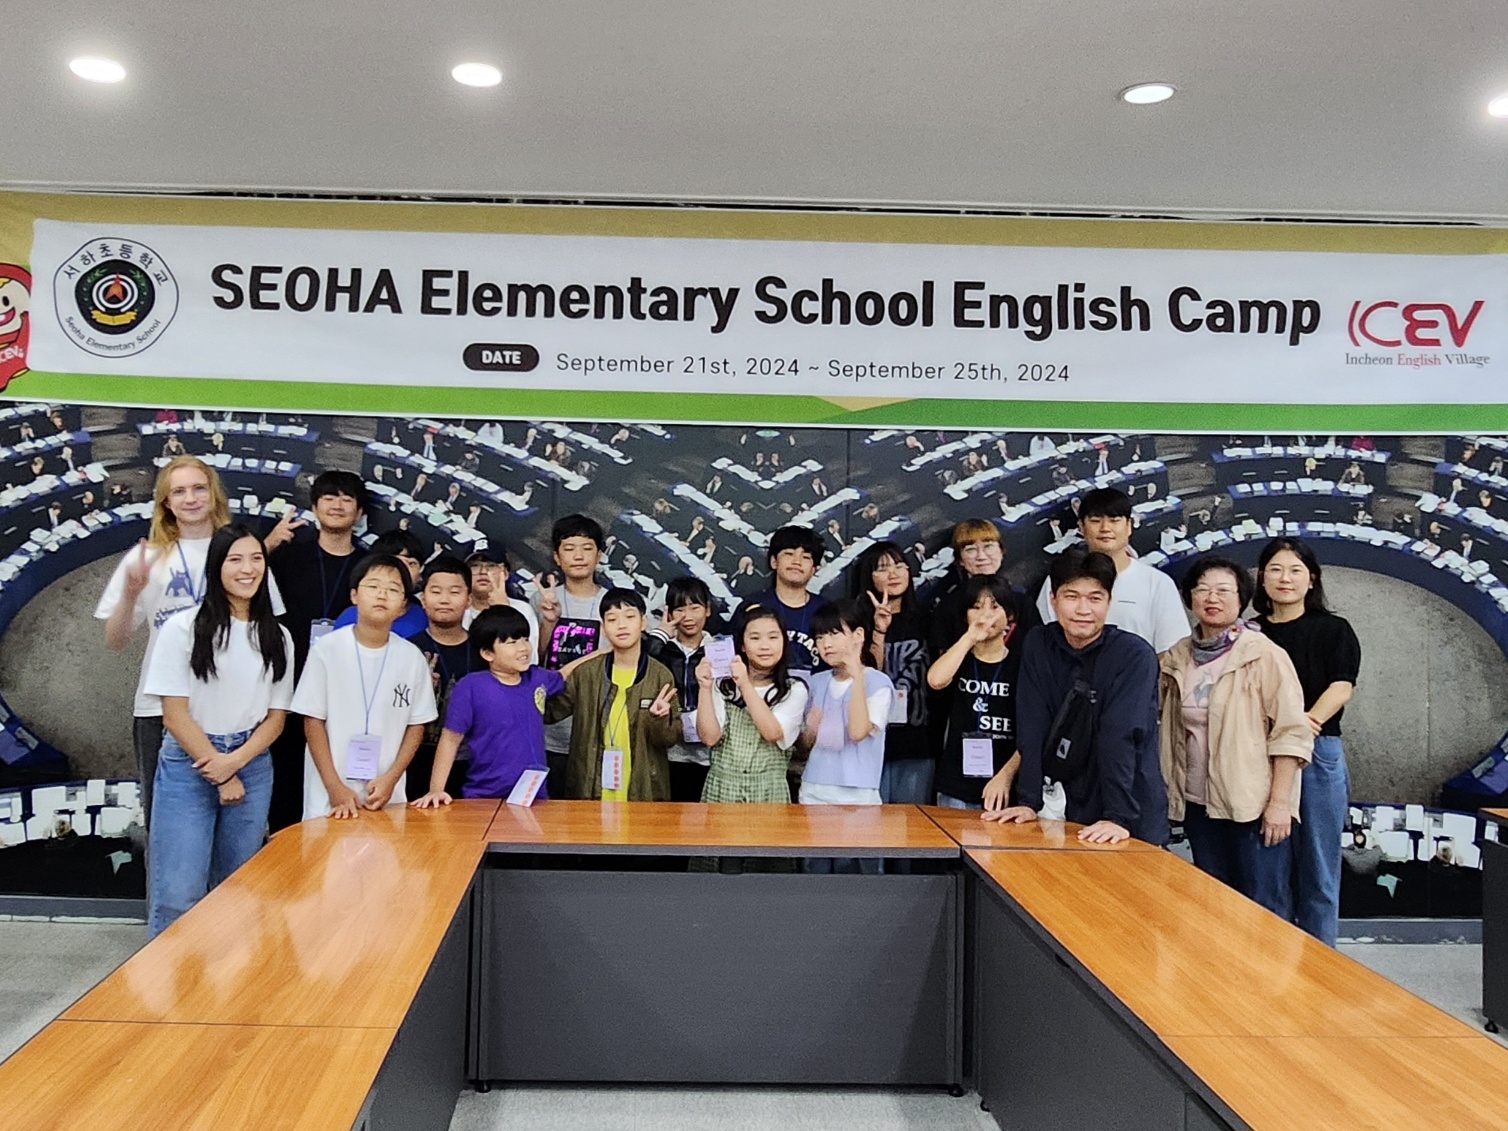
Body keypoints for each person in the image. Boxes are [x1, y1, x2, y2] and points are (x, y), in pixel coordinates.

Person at [140, 524, 291, 936]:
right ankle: (170, 977)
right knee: (178, 894)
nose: (248, 569)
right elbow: (174, 715)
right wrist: (221, 771)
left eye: (256, 559)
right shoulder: (182, 628)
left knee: (237, 889)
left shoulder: (278, 636)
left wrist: (235, 763)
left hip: (251, 763)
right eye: (235, 559)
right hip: (189, 764)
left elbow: (276, 718)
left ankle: (226, 976)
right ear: (216, 567)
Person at [1158, 555, 1313, 916]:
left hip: (1251, 804)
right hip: (1197, 803)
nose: (1212, 598)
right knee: (1213, 905)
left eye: (1223, 591)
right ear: (1190, 598)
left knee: (1263, 906)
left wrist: (1279, 804)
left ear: (1242, 598)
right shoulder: (1176, 656)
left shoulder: (1264, 654)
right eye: (1202, 590)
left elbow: (1291, 733)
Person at [97, 456, 243, 828]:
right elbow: (115, 639)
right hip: (158, 710)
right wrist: (130, 594)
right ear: (165, 501)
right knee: (165, 827)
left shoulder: (240, 553)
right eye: (178, 491)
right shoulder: (146, 557)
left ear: (214, 494)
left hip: (231, 710)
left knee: (234, 826)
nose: (190, 499)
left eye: (199, 488)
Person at [990, 549, 1168, 846]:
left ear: (1109, 602)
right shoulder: (1038, 644)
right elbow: (1032, 723)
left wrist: (1116, 817)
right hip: (1064, 804)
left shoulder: (1134, 655)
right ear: (1053, 600)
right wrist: (1028, 801)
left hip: (1126, 807)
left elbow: (1119, 735)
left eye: (1095, 598)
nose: (1083, 609)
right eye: (1071, 597)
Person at [1253, 537, 1361, 945]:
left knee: (1318, 868)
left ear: (1311, 579)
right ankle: (1273, 959)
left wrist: (1303, 724)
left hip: (1318, 752)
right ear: (1262, 579)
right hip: (1260, 753)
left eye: (1295, 570)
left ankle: (1321, 961)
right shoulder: (1250, 633)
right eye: (1276, 569)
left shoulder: (1334, 629)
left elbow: (1342, 686)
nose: (1285, 578)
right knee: (1268, 868)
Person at [291, 553, 437, 819]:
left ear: (403, 604)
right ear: (354, 595)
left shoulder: (411, 657)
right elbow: (312, 720)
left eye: (393, 589)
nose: (382, 595)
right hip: (330, 792)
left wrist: (391, 778)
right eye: (373, 586)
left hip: (385, 793)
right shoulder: (327, 650)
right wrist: (334, 786)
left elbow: (417, 724)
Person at [264, 470, 368, 830]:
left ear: (359, 512)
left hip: (349, 688)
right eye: (329, 497)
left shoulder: (369, 566)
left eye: (347, 499)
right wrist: (268, 545)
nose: (337, 505)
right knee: (286, 781)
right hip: (289, 681)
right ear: (313, 507)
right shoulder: (288, 556)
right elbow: (235, 579)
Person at [409, 606, 586, 806]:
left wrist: (606, 651)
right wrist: (436, 790)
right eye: (512, 642)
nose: (523, 648)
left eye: (525, 639)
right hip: (484, 796)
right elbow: (450, 740)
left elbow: (565, 674)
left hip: (534, 795)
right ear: (487, 653)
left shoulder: (536, 678)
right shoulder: (470, 686)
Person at [545, 588, 680, 800]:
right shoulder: (586, 673)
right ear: (603, 629)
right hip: (588, 787)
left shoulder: (660, 675)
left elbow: (669, 739)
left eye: (629, 616)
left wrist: (659, 719)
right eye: (612, 619)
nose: (621, 625)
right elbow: (548, 712)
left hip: (642, 790)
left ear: (643, 623)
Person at [799, 600, 893, 873]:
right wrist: (810, 730)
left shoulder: (878, 683)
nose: (826, 644)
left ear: (859, 635)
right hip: (814, 791)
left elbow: (858, 731)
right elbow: (805, 746)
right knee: (815, 874)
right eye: (819, 637)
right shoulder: (816, 682)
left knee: (856, 878)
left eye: (834, 634)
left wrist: (857, 677)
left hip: (858, 796)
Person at [1035, 487, 1189, 654]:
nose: (1105, 528)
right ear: (1081, 527)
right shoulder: (1059, 579)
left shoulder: (1158, 583)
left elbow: (1173, 653)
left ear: (1129, 526)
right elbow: (1047, 645)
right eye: (1095, 521)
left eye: (1114, 520)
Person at [695, 602, 808, 804]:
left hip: (769, 791)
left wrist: (745, 684)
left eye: (773, 637)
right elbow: (710, 738)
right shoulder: (723, 685)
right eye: (755, 638)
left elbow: (772, 733)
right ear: (742, 646)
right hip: (722, 789)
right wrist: (704, 687)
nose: (765, 646)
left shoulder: (793, 689)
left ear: (784, 642)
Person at [927, 575, 1020, 810]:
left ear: (1009, 615)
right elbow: (936, 680)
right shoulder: (958, 657)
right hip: (955, 785)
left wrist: (1006, 776)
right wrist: (970, 638)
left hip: (1003, 788)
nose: (985, 615)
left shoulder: (1022, 665)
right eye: (976, 607)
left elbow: (1033, 731)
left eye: (994, 607)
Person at [534, 514, 609, 791]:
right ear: (557, 557)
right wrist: (548, 622)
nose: (578, 556)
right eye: (569, 548)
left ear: (599, 555)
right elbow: (530, 660)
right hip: (548, 731)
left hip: (598, 731)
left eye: (587, 548)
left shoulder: (614, 604)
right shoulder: (540, 599)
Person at [854, 542, 932, 805]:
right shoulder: (857, 623)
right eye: (883, 568)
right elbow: (869, 674)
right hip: (868, 742)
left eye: (900, 566)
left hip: (916, 743)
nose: (893, 574)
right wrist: (879, 629)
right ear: (869, 577)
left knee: (910, 823)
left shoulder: (927, 618)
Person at [405, 556, 482, 800]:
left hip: (475, 764)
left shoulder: (485, 650)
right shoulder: (406, 650)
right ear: (423, 599)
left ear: (468, 600)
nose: (445, 600)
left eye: (454, 592)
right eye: (436, 591)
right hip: (417, 762)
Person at [646, 577, 715, 802]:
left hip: (708, 752)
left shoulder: (718, 650)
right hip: (668, 750)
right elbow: (640, 667)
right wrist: (661, 633)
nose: (688, 616)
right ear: (669, 613)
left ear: (707, 610)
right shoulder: (661, 649)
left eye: (695, 608)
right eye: (680, 609)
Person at [733, 524, 828, 676]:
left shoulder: (827, 611)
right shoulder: (752, 606)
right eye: (789, 554)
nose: (797, 561)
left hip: (816, 689)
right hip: (758, 688)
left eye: (805, 557)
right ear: (774, 562)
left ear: (814, 569)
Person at [331, 529, 428, 638]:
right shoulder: (351, 618)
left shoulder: (425, 617)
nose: (404, 569)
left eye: (412, 563)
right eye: (395, 562)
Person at [464, 548, 539, 643]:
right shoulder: (457, 609)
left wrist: (503, 611)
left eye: (491, 565)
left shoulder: (522, 609)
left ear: (505, 573)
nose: (483, 571)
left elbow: (527, 651)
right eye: (475, 565)